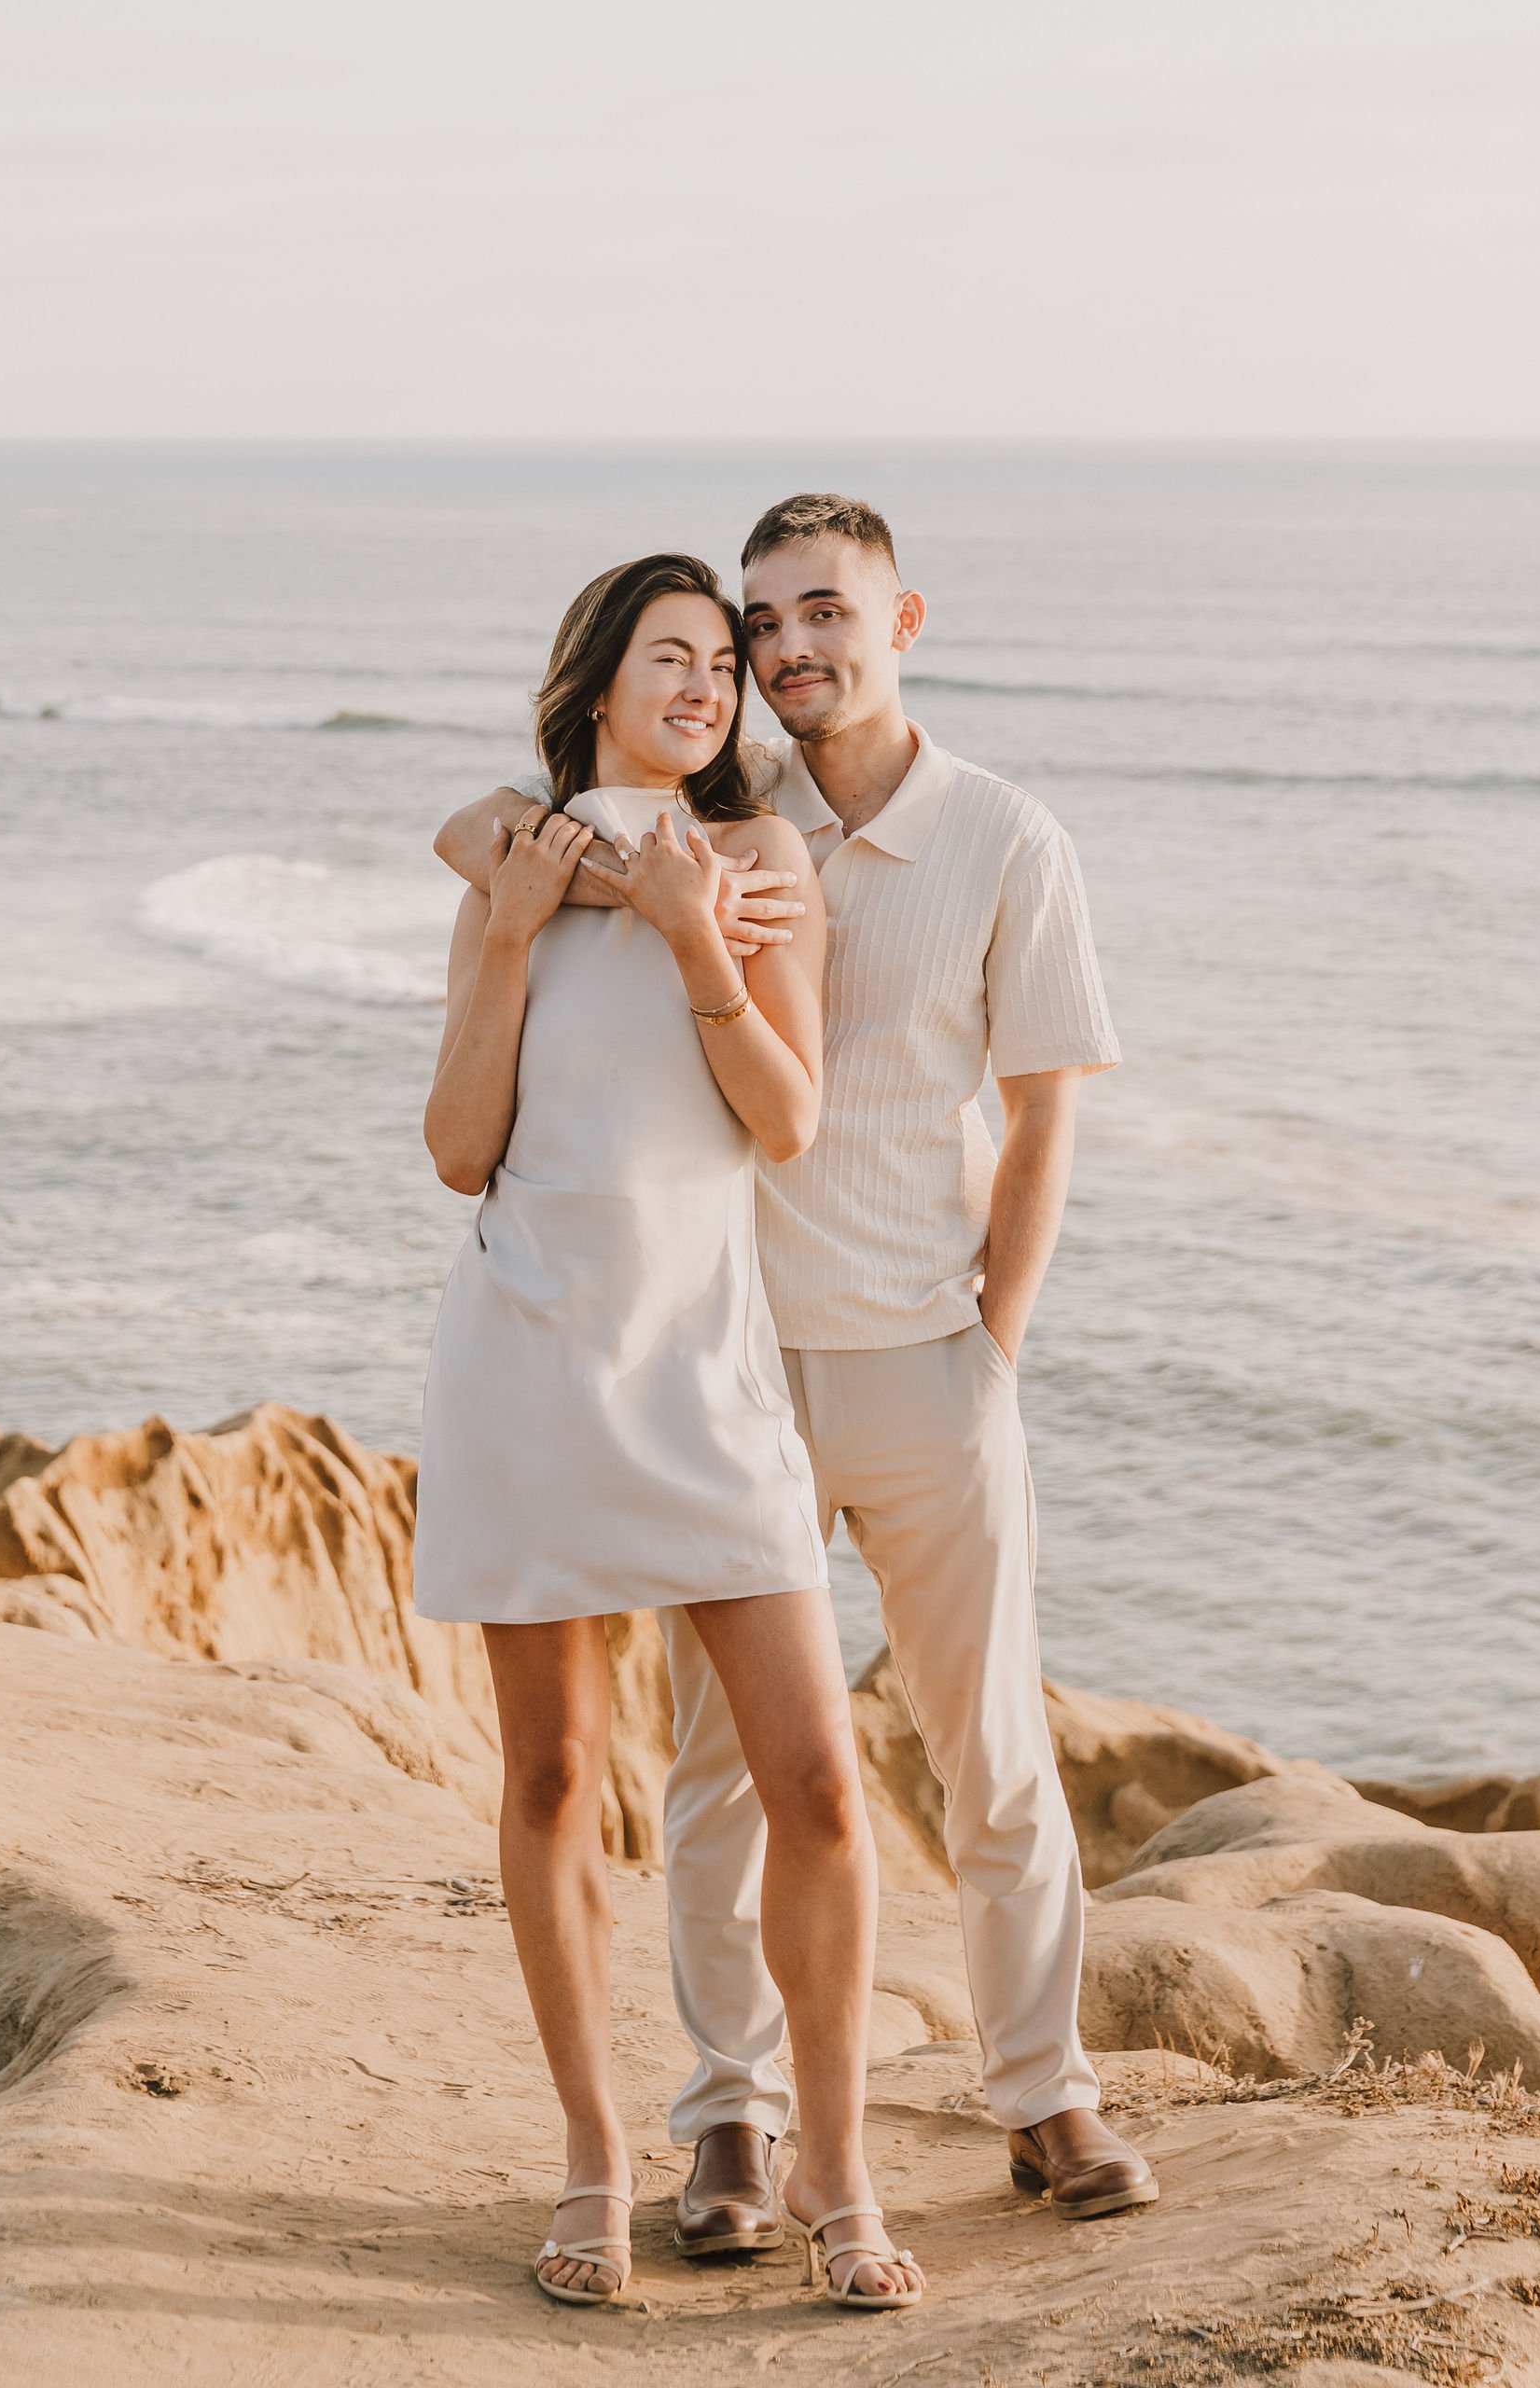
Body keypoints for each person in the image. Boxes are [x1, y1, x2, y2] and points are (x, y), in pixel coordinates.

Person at [436, 493, 1155, 2255]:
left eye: (815, 614)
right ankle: (728, 2125)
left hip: (919, 1354)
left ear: (902, 616)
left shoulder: (993, 836)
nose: (781, 652)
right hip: (718, 1360)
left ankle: (1043, 2092)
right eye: (754, 629)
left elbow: (1045, 1104)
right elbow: (496, 855)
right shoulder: (727, 824)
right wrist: (515, 869)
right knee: (715, 1787)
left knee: (985, 1749)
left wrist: (996, 1340)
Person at [416, 550, 923, 2312]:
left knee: (818, 1790)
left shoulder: (765, 863)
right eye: (672, 656)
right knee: (552, 1778)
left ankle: (837, 2173)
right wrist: (503, 922)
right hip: (531, 1356)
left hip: (702, 1369)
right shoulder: (519, 859)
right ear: (598, 684)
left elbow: (784, 1124)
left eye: (723, 660)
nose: (708, 683)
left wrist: (698, 937)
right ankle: (590, 2162)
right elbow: (460, 1148)